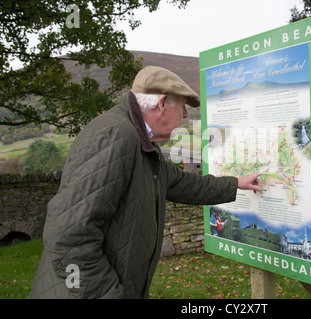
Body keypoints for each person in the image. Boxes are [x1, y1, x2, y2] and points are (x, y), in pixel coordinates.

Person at [29, 66, 264, 299]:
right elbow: (68, 236)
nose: (185, 116)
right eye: (182, 107)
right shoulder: (115, 136)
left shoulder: (141, 141)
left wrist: (236, 183)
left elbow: (183, 183)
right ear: (162, 103)